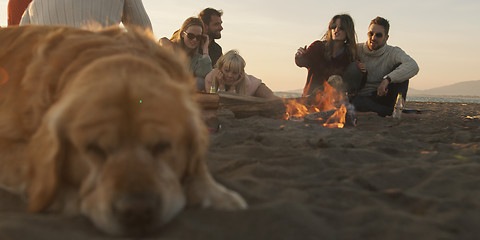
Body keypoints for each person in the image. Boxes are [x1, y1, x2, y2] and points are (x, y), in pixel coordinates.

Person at [353, 17, 419, 116]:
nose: (373, 38)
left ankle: (388, 110)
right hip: (361, 97)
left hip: (383, 96)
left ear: (386, 38)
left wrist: (387, 79)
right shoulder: (356, 49)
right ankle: (390, 112)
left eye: (378, 35)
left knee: (402, 71)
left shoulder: (393, 52)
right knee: (358, 101)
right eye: (371, 34)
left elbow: (413, 66)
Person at [295, 14, 364, 98]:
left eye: (341, 28)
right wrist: (300, 56)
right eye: (334, 26)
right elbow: (302, 62)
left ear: (348, 31)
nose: (336, 30)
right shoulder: (318, 47)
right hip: (311, 97)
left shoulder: (349, 54)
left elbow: (357, 82)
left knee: (338, 78)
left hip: (333, 100)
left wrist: (362, 70)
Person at [19, 0, 152, 30]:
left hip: (48, 86)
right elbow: (145, 33)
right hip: (100, 76)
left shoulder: (34, 4)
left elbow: (20, 46)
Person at [159, 17, 212, 87]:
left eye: (198, 37)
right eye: (191, 36)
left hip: (183, 91)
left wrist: (205, 49)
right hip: (162, 87)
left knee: (199, 81)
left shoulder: (198, 58)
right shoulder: (169, 47)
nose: (194, 40)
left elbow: (204, 73)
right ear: (183, 34)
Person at [205, 50, 277, 99]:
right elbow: (216, 100)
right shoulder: (211, 78)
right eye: (226, 71)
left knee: (275, 101)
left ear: (241, 73)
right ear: (220, 68)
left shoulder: (247, 83)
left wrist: (233, 86)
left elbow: (233, 102)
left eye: (235, 72)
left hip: (255, 87)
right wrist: (221, 85)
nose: (230, 75)